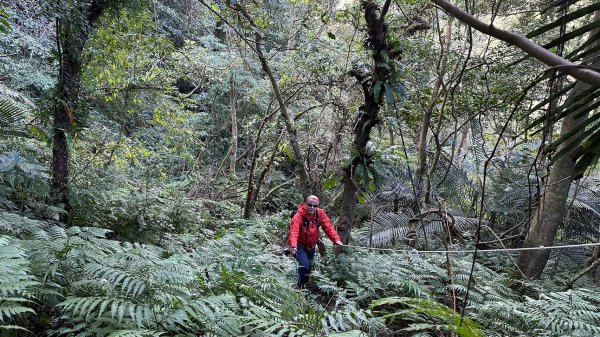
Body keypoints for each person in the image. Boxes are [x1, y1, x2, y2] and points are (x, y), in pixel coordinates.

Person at [288, 195, 343, 288]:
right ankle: (299, 286)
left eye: (315, 206)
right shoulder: (298, 216)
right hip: (299, 245)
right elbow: (294, 231)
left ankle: (304, 285)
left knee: (308, 266)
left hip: (312, 245)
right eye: (310, 205)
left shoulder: (320, 214)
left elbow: (328, 227)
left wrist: (336, 240)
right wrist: (293, 245)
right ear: (305, 204)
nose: (312, 207)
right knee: (304, 266)